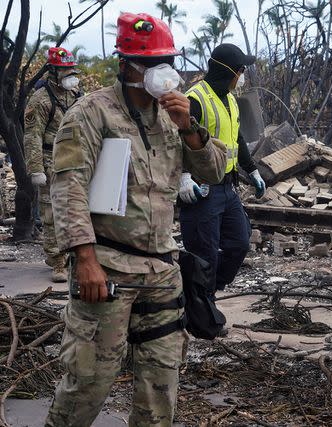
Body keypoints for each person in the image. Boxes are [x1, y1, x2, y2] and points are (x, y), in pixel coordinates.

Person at [45, 13, 227, 426]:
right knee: (89, 381)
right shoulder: (92, 114)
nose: (164, 72)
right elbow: (68, 187)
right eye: (153, 63)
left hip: (161, 271)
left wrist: (190, 129)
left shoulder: (173, 116)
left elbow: (215, 172)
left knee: (160, 387)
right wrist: (84, 259)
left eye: (168, 61)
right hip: (107, 271)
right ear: (126, 65)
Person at [179, 43, 265, 296]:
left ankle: (205, 292)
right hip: (201, 189)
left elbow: (235, 137)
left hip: (228, 187)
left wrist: (252, 169)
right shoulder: (194, 99)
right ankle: (203, 310)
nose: (242, 76)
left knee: (239, 243)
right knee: (204, 255)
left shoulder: (230, 100)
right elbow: (176, 141)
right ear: (230, 72)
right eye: (241, 70)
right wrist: (183, 177)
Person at [24, 47, 81, 282]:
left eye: (72, 70)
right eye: (65, 70)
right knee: (51, 213)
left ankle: (72, 257)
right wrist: (36, 169)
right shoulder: (41, 99)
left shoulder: (76, 93)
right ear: (54, 71)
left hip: (75, 158)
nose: (70, 74)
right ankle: (57, 261)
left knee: (75, 210)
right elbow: (32, 136)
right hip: (49, 159)